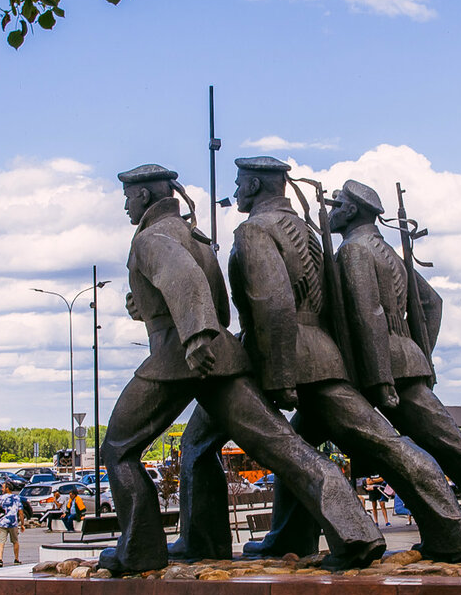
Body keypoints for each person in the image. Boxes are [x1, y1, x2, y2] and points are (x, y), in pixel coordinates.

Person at [175, 157, 461, 563]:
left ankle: (206, 542)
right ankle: (290, 537)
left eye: (240, 181)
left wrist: (281, 376)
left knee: (200, 441)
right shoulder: (311, 233)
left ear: (255, 185)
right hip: (321, 354)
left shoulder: (254, 231)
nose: (236, 189)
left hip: (279, 356)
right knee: (368, 443)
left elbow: (275, 304)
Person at [99, 163, 383, 574]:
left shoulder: (152, 236)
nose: (126, 205)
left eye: (128, 196)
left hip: (178, 358)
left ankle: (139, 549)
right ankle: (352, 531)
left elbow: (185, 279)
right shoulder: (194, 235)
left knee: (118, 449)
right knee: (271, 444)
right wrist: (147, 309)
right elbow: (205, 296)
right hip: (224, 356)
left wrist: (194, 336)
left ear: (143, 196)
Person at [330, 179, 461, 553]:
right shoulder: (387, 252)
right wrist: (418, 350)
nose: (332, 209)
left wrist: (381, 375)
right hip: (406, 360)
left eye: (337, 203)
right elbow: (432, 303)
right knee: (456, 449)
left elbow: (370, 315)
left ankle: (460, 535)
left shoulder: (353, 251)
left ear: (351, 210)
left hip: (381, 370)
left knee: (444, 450)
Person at [0, 482, 24, 567]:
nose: (2, 489)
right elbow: (21, 512)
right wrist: (22, 524)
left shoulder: (1, 498)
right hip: (13, 523)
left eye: (3, 488)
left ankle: (0, 559)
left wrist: (0, 509)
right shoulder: (17, 498)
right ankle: (16, 559)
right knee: (15, 541)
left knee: (1, 541)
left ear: (7, 488)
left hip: (2, 523)